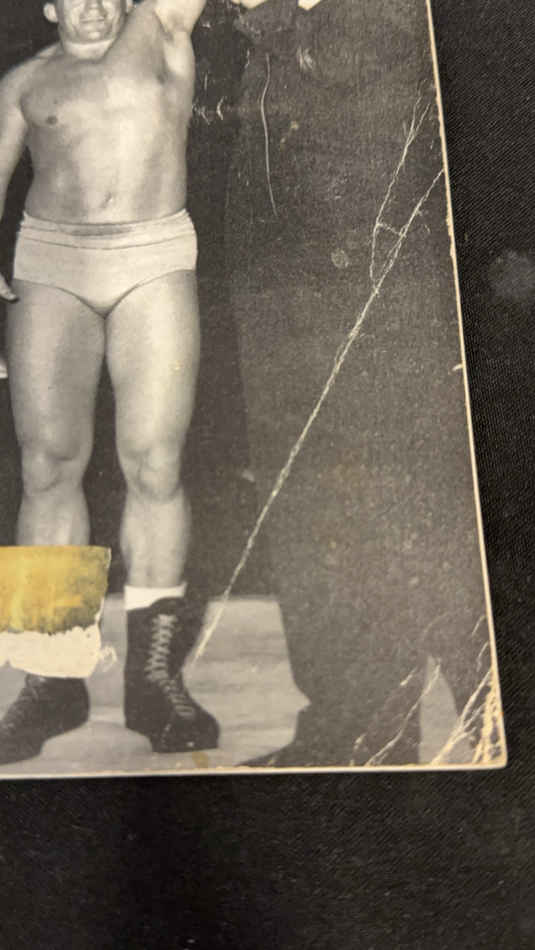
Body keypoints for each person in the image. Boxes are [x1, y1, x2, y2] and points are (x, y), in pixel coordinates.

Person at [226, 0, 491, 766]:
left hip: (381, 285)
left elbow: (356, 55)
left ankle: (489, 717)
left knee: (418, 508)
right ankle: (352, 727)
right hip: (281, 284)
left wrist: (270, 15)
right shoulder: (270, 25)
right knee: (309, 513)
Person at [0, 0, 219, 763]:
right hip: (52, 263)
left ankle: (153, 682)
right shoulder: (24, 83)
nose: (92, 7)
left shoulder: (162, 31)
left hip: (152, 258)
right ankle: (50, 678)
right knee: (46, 466)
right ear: (47, 4)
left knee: (154, 463)